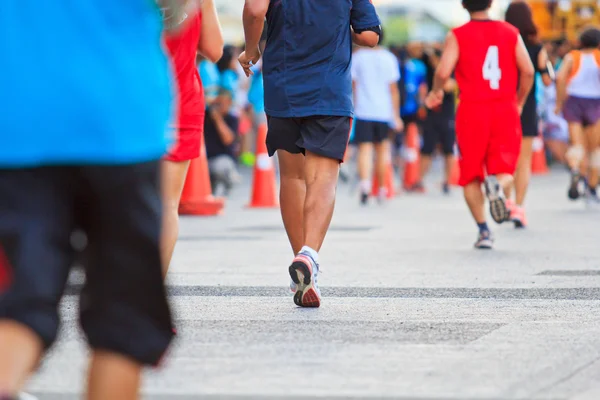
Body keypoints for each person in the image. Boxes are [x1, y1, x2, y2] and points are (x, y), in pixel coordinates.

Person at [0, 1, 187, 398]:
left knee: (16, 301)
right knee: (122, 320)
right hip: (119, 114)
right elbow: (175, 10)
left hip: (15, 115)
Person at [239, 0, 380, 307]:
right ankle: (309, 256)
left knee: (291, 177)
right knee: (322, 179)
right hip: (329, 91)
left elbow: (253, 10)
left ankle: (303, 270)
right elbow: (370, 36)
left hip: (282, 86)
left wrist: (252, 50)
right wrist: (342, 28)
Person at [425, 0, 534, 249]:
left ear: (464, 5)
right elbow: (527, 70)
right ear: (491, 3)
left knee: (471, 174)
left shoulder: (458, 35)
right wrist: (519, 101)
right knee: (506, 166)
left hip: (472, 109)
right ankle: (497, 185)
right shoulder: (510, 32)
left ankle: (484, 231)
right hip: (504, 106)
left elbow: (443, 72)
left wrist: (436, 92)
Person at [162, 0, 224, 276]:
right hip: (181, 104)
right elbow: (213, 50)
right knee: (166, 206)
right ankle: (148, 299)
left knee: (113, 202)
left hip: (126, 102)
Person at [504, 0, 553, 228]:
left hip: (502, 104)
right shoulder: (537, 47)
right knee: (524, 161)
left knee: (504, 159)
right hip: (528, 106)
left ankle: (505, 201)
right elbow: (546, 79)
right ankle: (519, 208)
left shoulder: (503, 41)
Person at [351, 30, 403, 205]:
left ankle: (365, 186)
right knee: (382, 150)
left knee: (364, 149)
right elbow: (393, 90)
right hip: (383, 111)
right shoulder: (389, 58)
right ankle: (381, 189)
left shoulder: (358, 57)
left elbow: (354, 86)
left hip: (363, 110)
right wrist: (396, 115)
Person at [555, 27, 600, 206]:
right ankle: (592, 186)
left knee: (577, 144)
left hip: (574, 101)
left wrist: (559, 103)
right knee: (594, 148)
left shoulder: (572, 57)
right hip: (595, 103)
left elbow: (560, 78)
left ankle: (575, 169)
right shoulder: (598, 57)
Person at [418, 47, 457, 194]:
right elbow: (415, 50)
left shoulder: (449, 70)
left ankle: (447, 181)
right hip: (431, 116)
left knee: (448, 150)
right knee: (426, 149)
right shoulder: (428, 70)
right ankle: (419, 180)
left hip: (446, 116)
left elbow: (448, 86)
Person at [205, 89, 241, 196]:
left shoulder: (232, 119)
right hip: (207, 158)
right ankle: (211, 186)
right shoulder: (206, 116)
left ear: (229, 102)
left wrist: (217, 119)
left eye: (222, 103)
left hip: (224, 159)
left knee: (219, 167)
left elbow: (228, 139)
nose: (219, 106)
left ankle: (230, 180)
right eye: (217, 103)